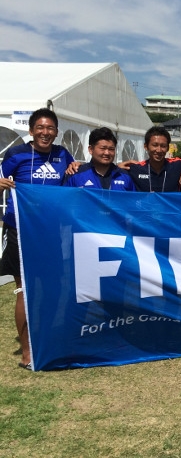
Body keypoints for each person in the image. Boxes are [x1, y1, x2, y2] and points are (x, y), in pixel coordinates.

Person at [0, 108, 76, 370]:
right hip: (20, 230)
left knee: (54, 288)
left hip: (51, 231)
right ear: (31, 130)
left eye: (51, 128)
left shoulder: (62, 154)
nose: (46, 132)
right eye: (40, 128)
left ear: (56, 131)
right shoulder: (17, 153)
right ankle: (28, 351)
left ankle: (49, 339)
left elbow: (75, 174)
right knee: (24, 290)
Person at [125, 126, 181, 192]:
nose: (159, 150)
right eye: (155, 145)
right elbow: (116, 171)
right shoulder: (136, 168)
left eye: (163, 146)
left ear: (167, 148)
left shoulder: (178, 164)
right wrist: (119, 166)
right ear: (146, 146)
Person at [63, 127, 136, 190]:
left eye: (111, 149)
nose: (107, 153)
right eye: (103, 148)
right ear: (91, 149)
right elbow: (66, 201)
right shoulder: (76, 175)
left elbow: (132, 202)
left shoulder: (124, 176)